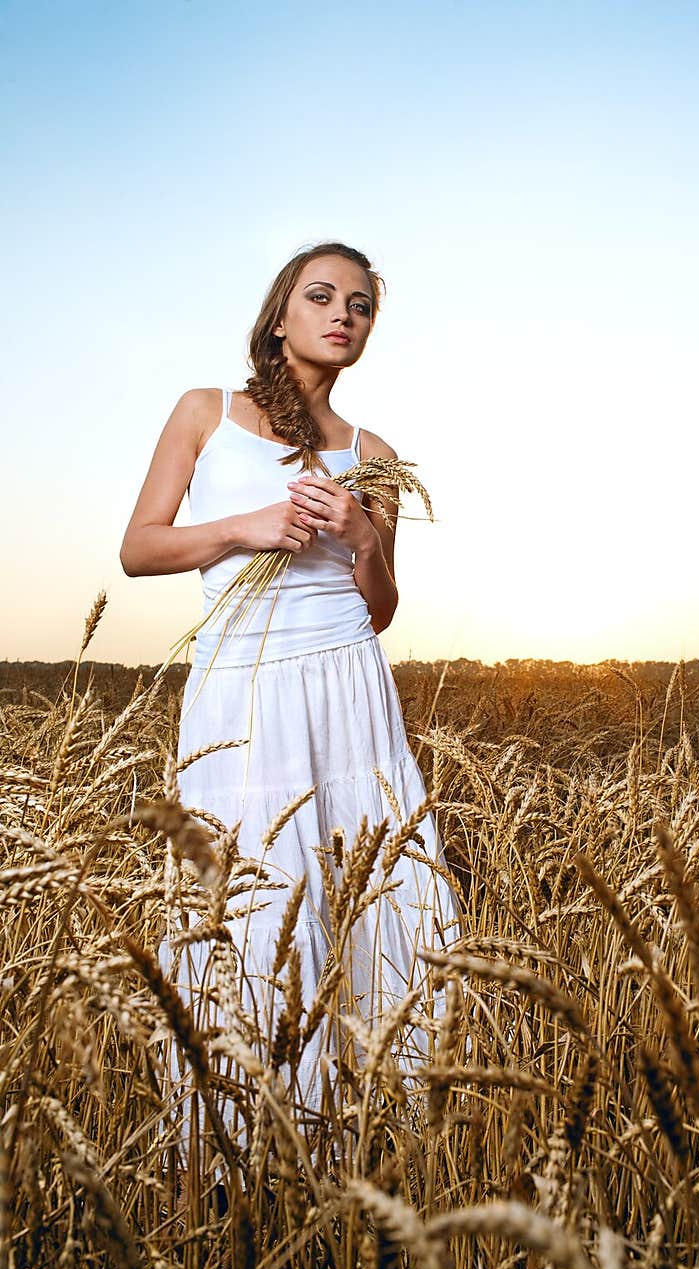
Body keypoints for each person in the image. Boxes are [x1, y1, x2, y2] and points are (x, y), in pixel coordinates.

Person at [119, 240, 460, 1123]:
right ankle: (242, 1129)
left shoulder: (373, 451)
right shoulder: (206, 412)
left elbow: (381, 608)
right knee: (247, 892)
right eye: (322, 297)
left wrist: (362, 535)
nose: (343, 314)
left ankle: (375, 1119)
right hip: (240, 683)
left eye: (361, 306)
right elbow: (140, 547)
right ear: (281, 315)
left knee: (372, 886)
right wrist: (250, 525)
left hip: (347, 685)